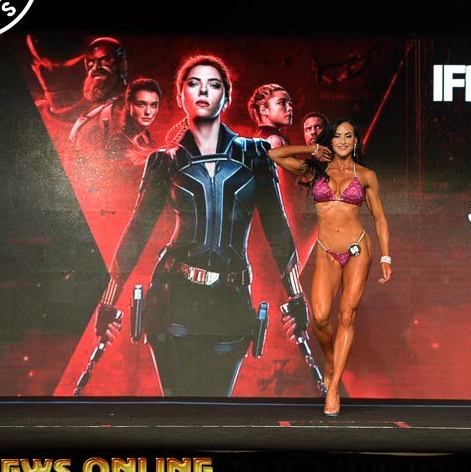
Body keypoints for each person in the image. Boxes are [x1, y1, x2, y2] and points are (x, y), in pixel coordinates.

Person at [94, 54, 310, 396]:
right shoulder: (163, 161)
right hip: (173, 296)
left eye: (214, 84)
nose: (203, 91)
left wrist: (297, 298)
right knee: (178, 407)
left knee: (216, 408)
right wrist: (107, 304)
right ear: (181, 97)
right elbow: (137, 231)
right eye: (194, 84)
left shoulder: (256, 155)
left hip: (231, 301)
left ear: (227, 96)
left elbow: (277, 229)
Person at [268, 118, 392, 416]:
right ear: (330, 141)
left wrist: (386, 257)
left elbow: (379, 217)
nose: (343, 141)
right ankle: (332, 362)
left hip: (357, 250)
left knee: (347, 315)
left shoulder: (366, 176)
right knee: (320, 318)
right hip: (326, 251)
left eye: (349, 136)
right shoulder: (314, 171)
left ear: (356, 141)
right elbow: (274, 155)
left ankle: (333, 388)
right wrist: (311, 149)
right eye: (337, 136)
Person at [106, 77, 162, 162]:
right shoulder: (119, 141)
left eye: (154, 105)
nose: (148, 112)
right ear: (128, 104)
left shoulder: (146, 136)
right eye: (141, 104)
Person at [248, 83, 293, 148]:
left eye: (290, 103)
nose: (290, 108)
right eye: (281, 103)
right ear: (263, 110)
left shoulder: (259, 138)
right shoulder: (275, 140)